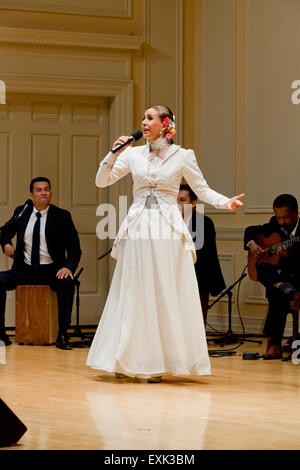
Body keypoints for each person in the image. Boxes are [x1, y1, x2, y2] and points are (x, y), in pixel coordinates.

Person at [87, 105, 244, 381]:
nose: (144, 123)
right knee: (135, 291)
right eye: (143, 118)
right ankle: (126, 359)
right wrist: (112, 155)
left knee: (162, 291)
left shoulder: (183, 156)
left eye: (150, 118)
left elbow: (202, 188)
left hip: (167, 228)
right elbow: (102, 181)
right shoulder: (133, 154)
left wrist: (225, 201)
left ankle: (159, 361)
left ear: (165, 123)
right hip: (138, 226)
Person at [0, 177, 82, 350]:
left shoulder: (62, 216)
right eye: (39, 190)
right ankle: (1, 335)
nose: (43, 193)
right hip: (24, 269)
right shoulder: (22, 211)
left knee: (67, 282)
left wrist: (68, 267)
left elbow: (75, 247)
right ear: (31, 195)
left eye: (47, 189)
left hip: (52, 270)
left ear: (51, 193)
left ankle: (62, 335)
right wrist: (6, 243)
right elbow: (5, 230)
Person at [244, 194, 300, 359]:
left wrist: (287, 257)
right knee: (263, 267)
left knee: (276, 294)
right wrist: (252, 244)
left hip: (297, 278)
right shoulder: (274, 224)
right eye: (279, 217)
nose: (282, 221)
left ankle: (275, 344)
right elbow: (250, 231)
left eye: (286, 217)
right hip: (282, 280)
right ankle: (284, 288)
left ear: (296, 213)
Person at [177, 184, 226, 326]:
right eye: (174, 200)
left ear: (193, 203)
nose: (176, 204)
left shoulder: (204, 223)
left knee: (195, 322)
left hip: (197, 276)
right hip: (172, 275)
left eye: (181, 200)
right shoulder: (166, 222)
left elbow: (203, 255)